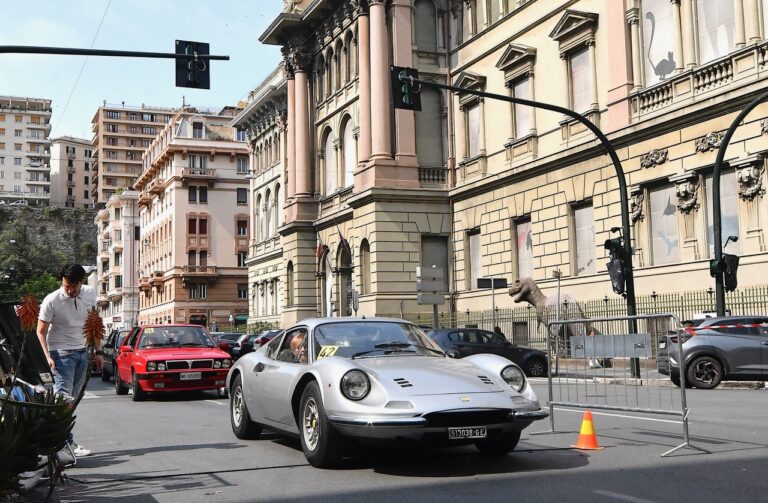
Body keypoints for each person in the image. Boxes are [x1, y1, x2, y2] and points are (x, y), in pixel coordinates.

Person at [37, 264, 101, 458]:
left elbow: (94, 324)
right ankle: (66, 443)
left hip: (83, 351)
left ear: (82, 282)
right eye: (66, 286)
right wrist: (47, 356)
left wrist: (99, 351)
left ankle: (58, 440)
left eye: (74, 286)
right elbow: (40, 331)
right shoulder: (51, 300)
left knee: (72, 401)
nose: (70, 291)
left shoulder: (90, 293)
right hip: (61, 352)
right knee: (63, 400)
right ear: (61, 282)